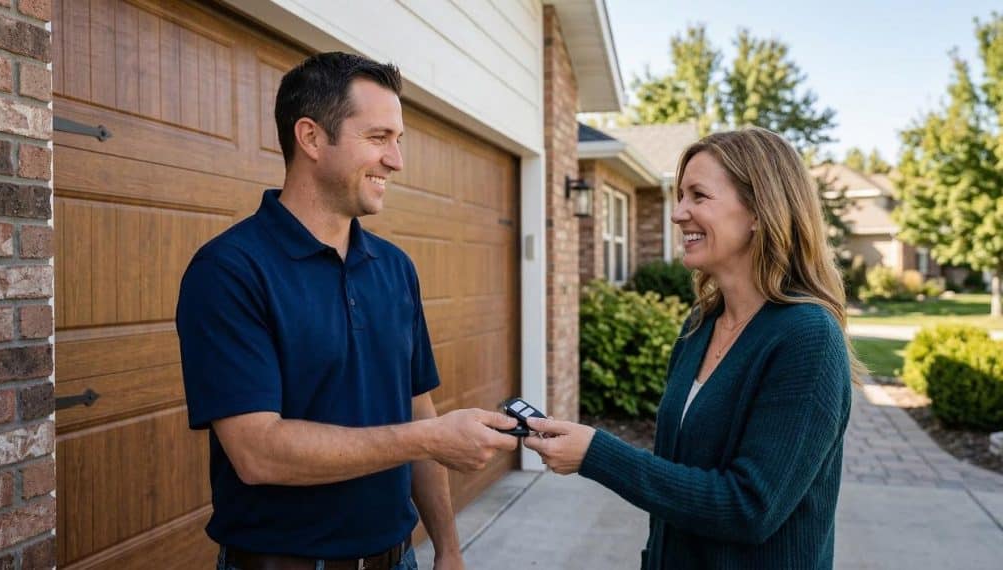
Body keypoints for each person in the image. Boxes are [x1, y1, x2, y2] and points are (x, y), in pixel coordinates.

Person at [176, 52, 519, 570]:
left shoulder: (395, 268)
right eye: (378, 138)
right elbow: (257, 452)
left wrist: (448, 549)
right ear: (311, 138)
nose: (396, 160)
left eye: (397, 140)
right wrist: (427, 438)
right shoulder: (230, 270)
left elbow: (417, 408)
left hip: (398, 558)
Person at [524, 127, 865, 569]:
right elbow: (677, 478)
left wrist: (597, 455)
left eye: (698, 196)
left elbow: (750, 507)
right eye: (680, 195)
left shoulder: (807, 337)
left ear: (760, 211)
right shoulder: (700, 325)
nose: (678, 213)